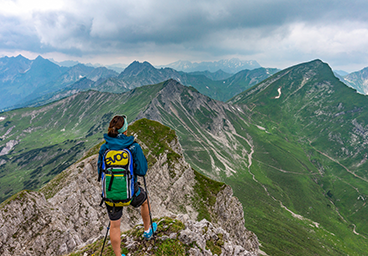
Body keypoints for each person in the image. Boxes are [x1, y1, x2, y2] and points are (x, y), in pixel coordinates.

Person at [98, 115, 157, 256]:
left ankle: (118, 255)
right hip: (131, 192)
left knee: (114, 225)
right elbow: (142, 171)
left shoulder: (104, 148)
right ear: (125, 131)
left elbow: (100, 172)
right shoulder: (133, 146)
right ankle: (147, 231)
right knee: (145, 201)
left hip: (111, 193)